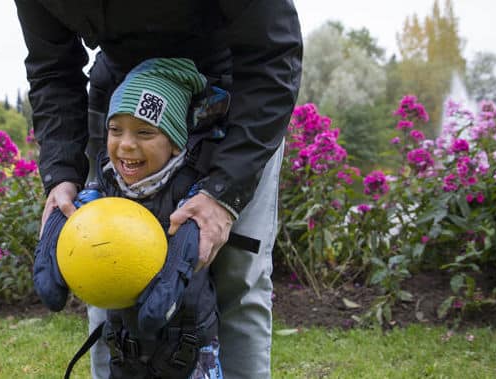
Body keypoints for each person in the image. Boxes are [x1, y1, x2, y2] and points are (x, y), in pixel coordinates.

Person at [16, 1, 302, 378]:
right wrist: (62, 176)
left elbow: (274, 51)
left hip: (235, 94)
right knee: (105, 260)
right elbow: (52, 68)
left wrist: (223, 195)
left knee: (237, 274)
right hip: (125, 102)